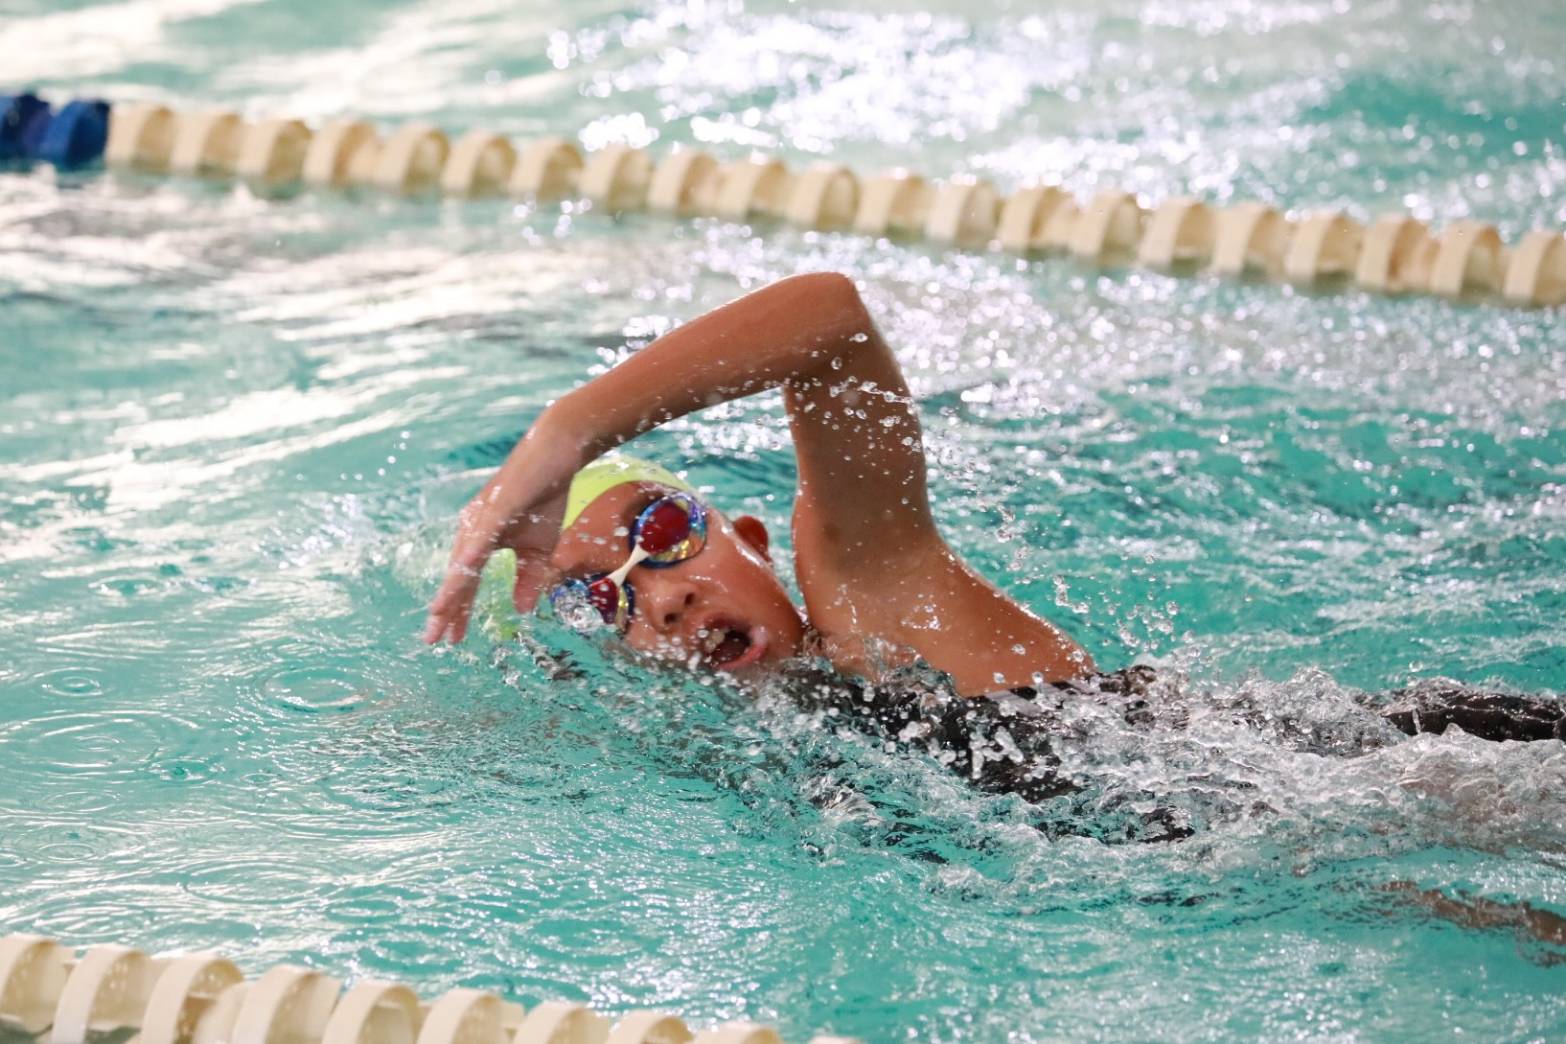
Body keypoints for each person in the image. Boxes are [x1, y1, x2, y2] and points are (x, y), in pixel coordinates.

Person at [423, 272, 1562, 834]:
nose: (656, 602)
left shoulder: (872, 600)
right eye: (596, 606)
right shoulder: (753, 758)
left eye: (661, 538)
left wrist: (571, 431)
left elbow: (828, 320)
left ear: (756, 541)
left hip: (1426, 762)